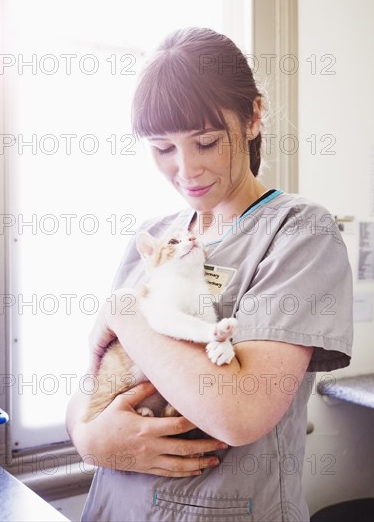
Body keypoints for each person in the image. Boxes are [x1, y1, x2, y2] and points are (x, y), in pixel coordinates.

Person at [66, 27, 353, 522]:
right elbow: (92, 386)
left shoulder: (299, 233)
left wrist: (126, 311)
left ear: (253, 117)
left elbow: (240, 414)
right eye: (163, 148)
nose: (186, 169)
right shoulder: (155, 237)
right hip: (114, 506)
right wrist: (92, 440)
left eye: (205, 141)